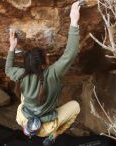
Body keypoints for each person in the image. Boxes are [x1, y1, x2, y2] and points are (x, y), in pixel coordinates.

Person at [5, 1, 81, 146]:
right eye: (46, 57)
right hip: (47, 126)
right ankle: (55, 135)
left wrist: (12, 48)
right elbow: (70, 54)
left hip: (23, 117)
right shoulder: (53, 74)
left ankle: (30, 128)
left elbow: (8, 69)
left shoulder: (21, 75)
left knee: (23, 95)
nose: (48, 57)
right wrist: (74, 21)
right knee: (76, 105)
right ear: (43, 65)